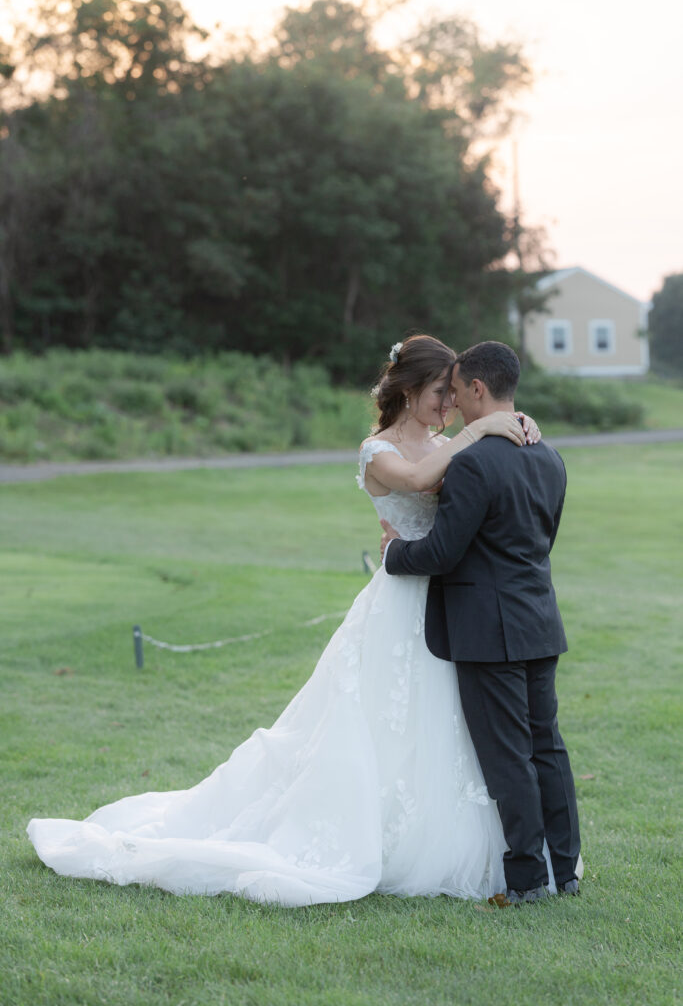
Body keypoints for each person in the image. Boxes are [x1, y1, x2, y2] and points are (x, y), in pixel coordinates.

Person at [27, 335, 541, 907]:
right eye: (440, 393)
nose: (448, 405)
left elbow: (475, 487)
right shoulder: (378, 450)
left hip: (450, 600)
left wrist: (515, 423)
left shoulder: (451, 441)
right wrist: (480, 431)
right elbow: (420, 484)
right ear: (410, 388)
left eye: (454, 395)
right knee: (382, 720)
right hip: (398, 603)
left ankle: (470, 840)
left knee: (451, 720)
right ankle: (376, 838)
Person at [381, 339, 581, 905]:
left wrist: (394, 555)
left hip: (488, 631)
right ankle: (564, 869)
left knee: (507, 757)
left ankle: (525, 879)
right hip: (540, 619)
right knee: (547, 747)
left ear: (477, 388)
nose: (455, 406)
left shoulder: (471, 462)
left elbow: (442, 553)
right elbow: (540, 542)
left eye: (458, 391)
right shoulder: (548, 456)